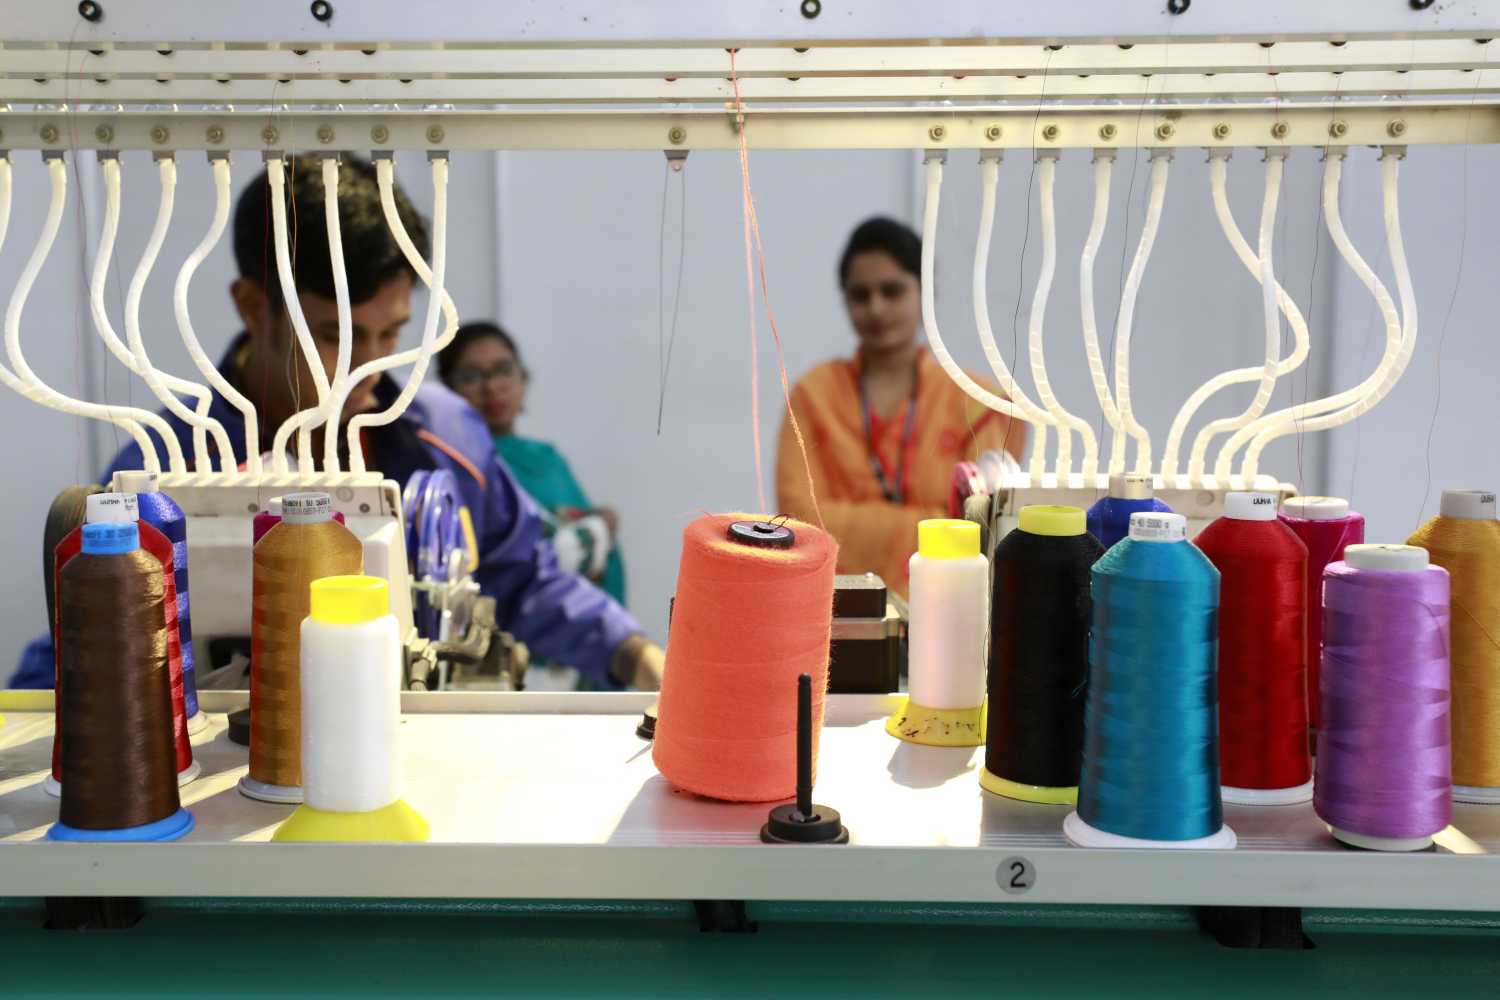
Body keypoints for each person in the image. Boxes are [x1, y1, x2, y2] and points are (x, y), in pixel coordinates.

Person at [12, 156, 661, 691]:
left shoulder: (446, 440)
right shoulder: (161, 472)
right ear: (252, 307)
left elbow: (524, 577)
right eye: (336, 335)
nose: (370, 366)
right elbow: (88, 647)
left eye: (392, 333)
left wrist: (637, 655)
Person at [777, 216, 1025, 598]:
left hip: (950, 605)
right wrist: (931, 522)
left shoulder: (979, 402)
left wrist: (852, 518)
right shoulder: (815, 395)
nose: (876, 308)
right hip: (837, 607)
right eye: (860, 295)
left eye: (891, 291)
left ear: (923, 294)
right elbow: (800, 520)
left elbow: (984, 525)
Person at [438, 322, 627, 608]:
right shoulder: (459, 466)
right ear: (448, 390)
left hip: (587, 627)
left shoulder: (547, 457)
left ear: (523, 377)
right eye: (471, 376)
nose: (491, 387)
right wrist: (599, 527)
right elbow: (526, 556)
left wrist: (593, 522)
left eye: (503, 370)